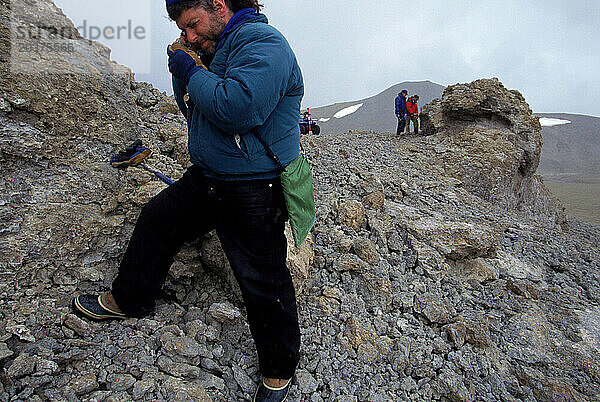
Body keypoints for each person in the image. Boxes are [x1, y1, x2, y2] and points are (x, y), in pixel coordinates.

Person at [72, 1, 303, 400]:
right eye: (185, 30)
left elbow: (236, 109)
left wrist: (192, 69)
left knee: (262, 278)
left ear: (218, 5)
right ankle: (129, 299)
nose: (191, 36)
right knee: (158, 218)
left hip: (254, 186)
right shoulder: (218, 48)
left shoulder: (264, 43)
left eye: (194, 25)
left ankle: (279, 368)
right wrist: (185, 70)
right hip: (210, 177)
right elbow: (194, 112)